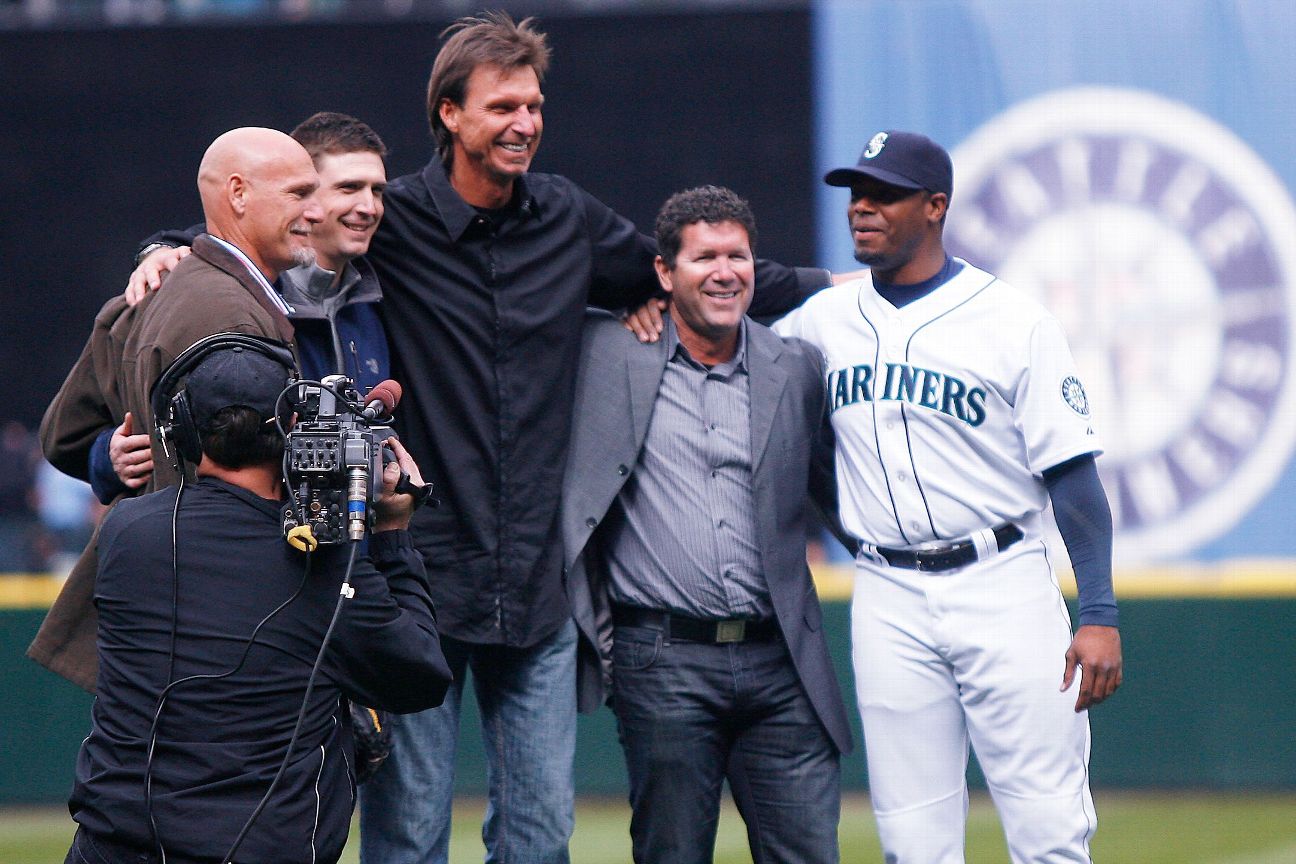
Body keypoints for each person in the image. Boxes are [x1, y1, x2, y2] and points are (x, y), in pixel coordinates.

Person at [773, 130, 1123, 863]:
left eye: (884, 194)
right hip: (886, 593)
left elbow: (1073, 478)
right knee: (911, 837)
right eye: (855, 194)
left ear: (935, 207)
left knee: (1050, 830)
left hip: (1002, 580)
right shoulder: (818, 322)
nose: (862, 208)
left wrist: (1098, 613)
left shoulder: (1011, 320)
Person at [65, 337, 451, 864]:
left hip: (109, 848)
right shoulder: (322, 562)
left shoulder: (127, 532)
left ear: (181, 433)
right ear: (293, 430)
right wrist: (393, 532)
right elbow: (420, 674)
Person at [561, 186, 852, 863]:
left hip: (782, 659)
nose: (725, 271)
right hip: (663, 657)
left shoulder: (797, 365)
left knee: (809, 851)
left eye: (738, 256)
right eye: (704, 258)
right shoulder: (605, 351)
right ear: (664, 274)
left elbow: (840, 492)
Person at [32, 127, 322, 689]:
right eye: (298, 193)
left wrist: (109, 458)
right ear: (238, 194)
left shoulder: (151, 291)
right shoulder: (234, 318)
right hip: (223, 620)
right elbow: (247, 497)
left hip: (155, 609)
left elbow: (63, 434)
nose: (315, 211)